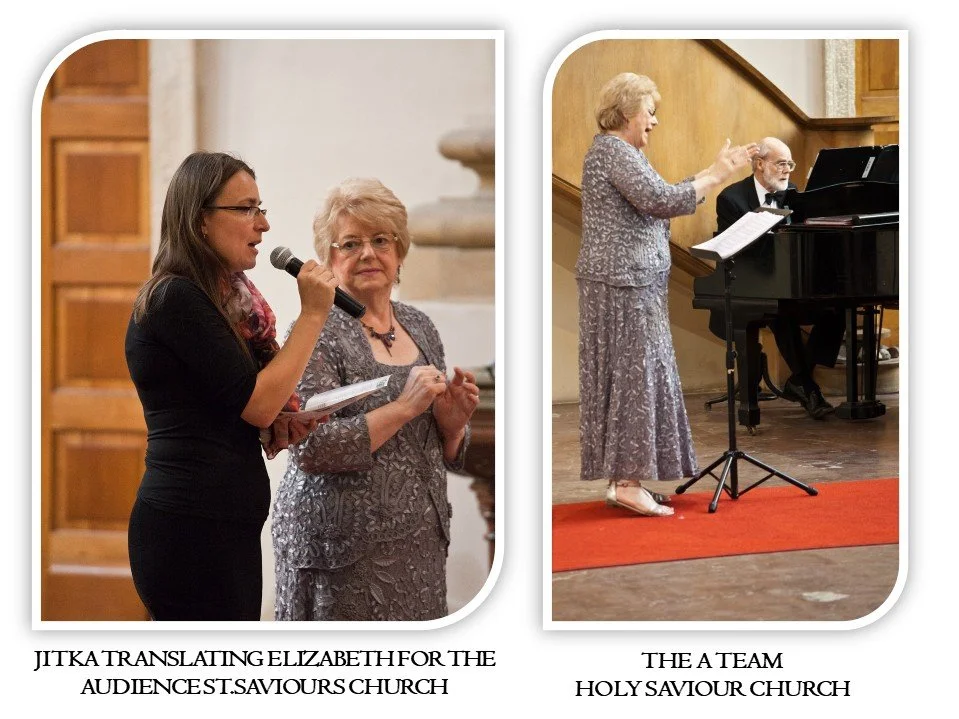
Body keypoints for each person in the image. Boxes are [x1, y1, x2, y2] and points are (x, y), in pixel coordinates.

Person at [125, 151, 339, 621]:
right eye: (246, 209)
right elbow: (257, 403)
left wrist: (286, 419)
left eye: (261, 208)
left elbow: (241, 404)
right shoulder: (176, 297)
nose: (261, 225)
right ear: (200, 219)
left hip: (224, 527)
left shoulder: (226, 304)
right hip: (188, 532)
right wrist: (314, 313)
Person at [272, 178, 480, 621]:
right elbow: (312, 446)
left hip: (419, 544)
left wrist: (453, 423)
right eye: (350, 244)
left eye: (380, 240)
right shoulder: (316, 334)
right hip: (340, 551)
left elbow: (441, 454)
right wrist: (404, 407)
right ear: (329, 260)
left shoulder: (420, 326)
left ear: (399, 252)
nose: (367, 253)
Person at [576, 72, 757, 517]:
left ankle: (628, 479)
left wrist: (712, 173)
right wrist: (716, 175)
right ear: (626, 112)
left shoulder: (621, 154)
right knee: (633, 379)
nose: (654, 121)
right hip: (623, 286)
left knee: (637, 378)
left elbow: (665, 194)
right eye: (649, 111)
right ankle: (626, 482)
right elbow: (661, 199)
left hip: (634, 284)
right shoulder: (613, 151)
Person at [715, 137, 844, 419]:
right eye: (781, 163)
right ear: (760, 164)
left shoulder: (794, 193)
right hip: (751, 285)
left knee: (837, 308)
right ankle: (806, 388)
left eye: (790, 164)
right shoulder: (731, 199)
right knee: (780, 312)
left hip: (789, 282)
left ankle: (800, 378)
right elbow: (735, 251)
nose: (787, 170)